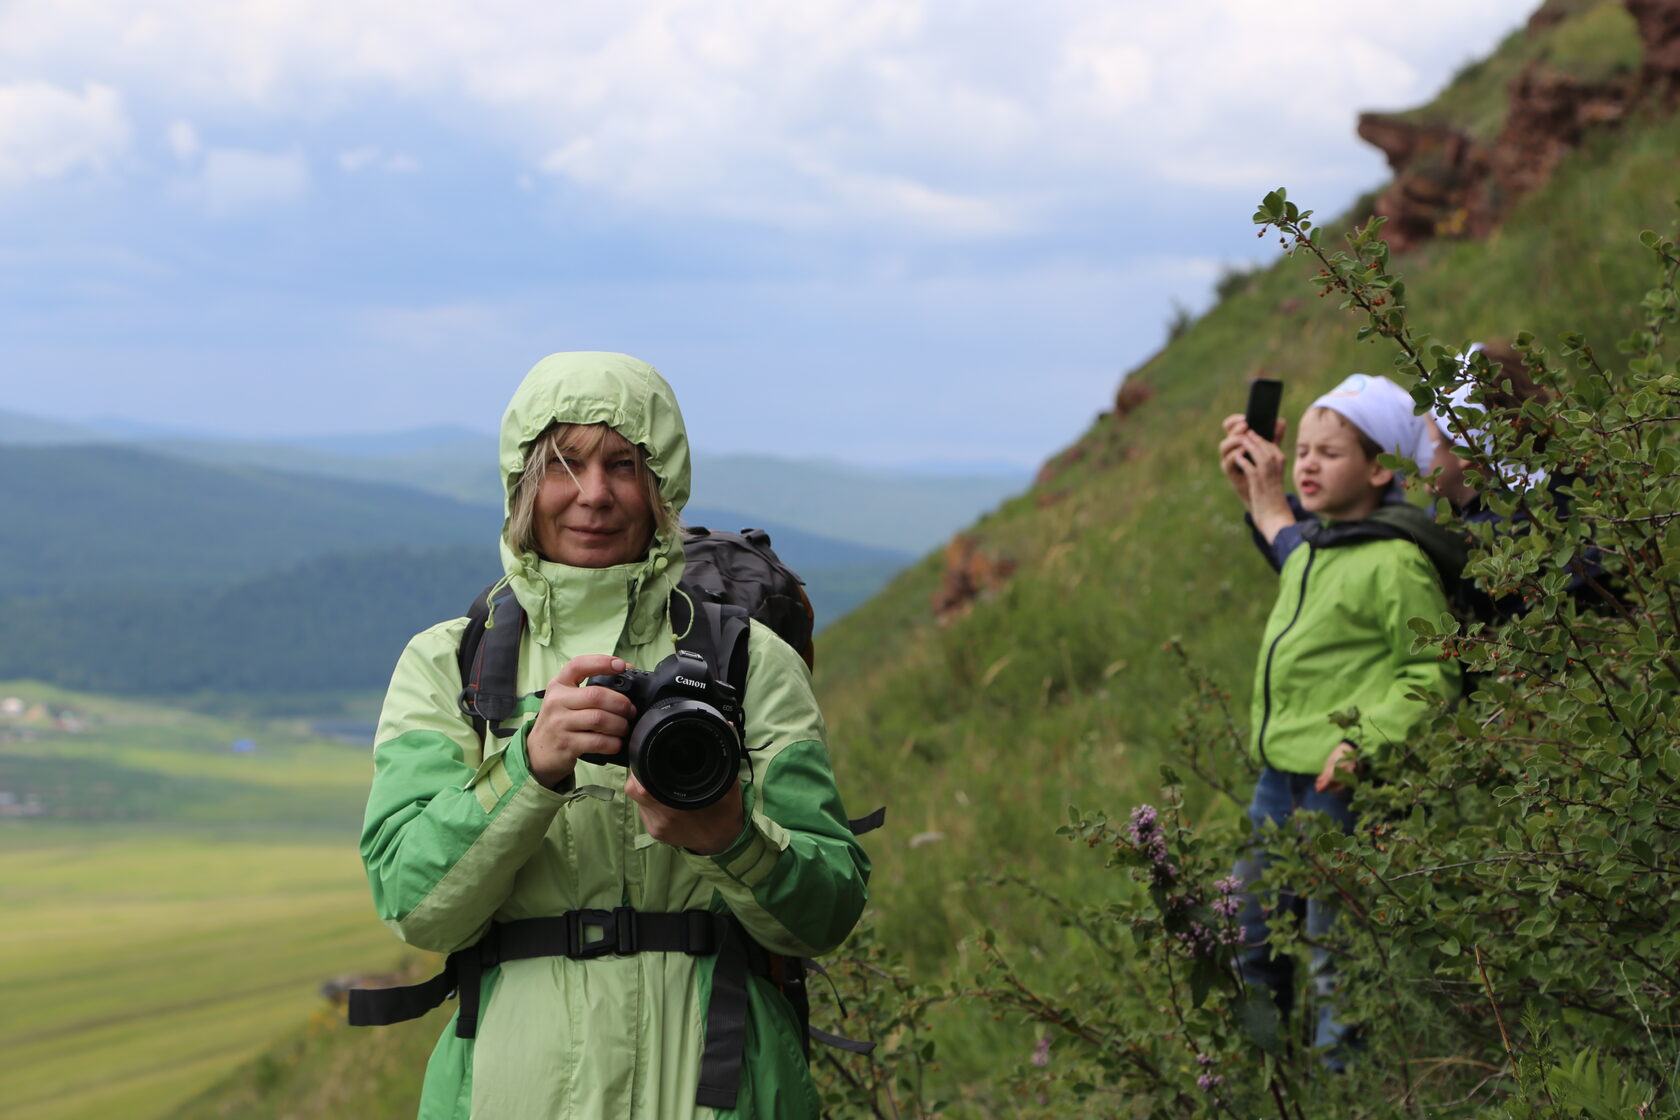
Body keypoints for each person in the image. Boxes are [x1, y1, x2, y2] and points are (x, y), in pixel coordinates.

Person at [359, 351, 870, 1119]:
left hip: (720, 1083)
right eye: (564, 464)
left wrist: (729, 833)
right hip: (513, 1090)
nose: (593, 495)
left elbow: (827, 911)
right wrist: (530, 771)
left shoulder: (749, 659)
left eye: (623, 465)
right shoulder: (451, 663)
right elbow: (413, 903)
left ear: (661, 484)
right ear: (523, 484)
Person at [1217, 373, 1461, 1068]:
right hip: (1276, 781)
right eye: (1302, 452)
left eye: (1330, 454)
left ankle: (1342, 1083)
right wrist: (1257, 490)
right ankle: (1261, 1077)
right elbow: (1281, 533)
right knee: (1247, 935)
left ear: (1380, 468)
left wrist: (1363, 742)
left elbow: (1430, 674)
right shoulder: (1320, 545)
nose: (1307, 465)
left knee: (1334, 960)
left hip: (1337, 789)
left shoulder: (1395, 559)